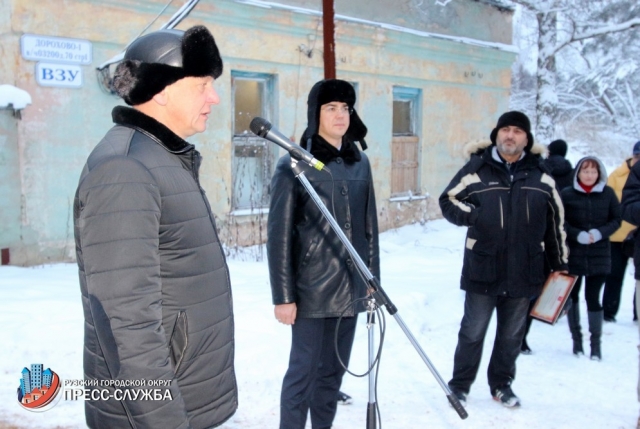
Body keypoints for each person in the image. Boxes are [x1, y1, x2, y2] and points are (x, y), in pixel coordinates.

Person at [73, 27, 237, 428]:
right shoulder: (126, 169)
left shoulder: (162, 158)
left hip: (188, 399)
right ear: (163, 89)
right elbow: (125, 322)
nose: (213, 97)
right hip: (154, 414)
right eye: (202, 85)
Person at [267, 79, 379, 429]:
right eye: (331, 108)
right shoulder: (294, 166)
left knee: (332, 378)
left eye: (345, 108)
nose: (340, 115)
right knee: (303, 376)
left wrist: (371, 281)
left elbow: (369, 229)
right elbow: (279, 237)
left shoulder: (361, 164)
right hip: (311, 291)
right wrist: (284, 297)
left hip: (351, 291)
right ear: (315, 115)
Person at [439, 111, 569, 408]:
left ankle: (501, 385)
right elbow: (448, 200)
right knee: (472, 332)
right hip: (483, 267)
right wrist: (475, 216)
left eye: (518, 131)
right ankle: (459, 385)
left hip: (525, 270)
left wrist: (560, 265)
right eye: (506, 130)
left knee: (511, 335)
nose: (511, 135)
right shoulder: (476, 169)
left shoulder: (542, 177)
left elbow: (556, 224)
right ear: (497, 134)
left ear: (527, 138)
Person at [561, 157, 621, 360]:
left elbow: (616, 219)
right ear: (578, 173)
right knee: (573, 297)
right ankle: (576, 342)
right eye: (585, 171)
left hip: (599, 254)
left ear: (599, 174)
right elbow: (559, 221)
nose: (589, 175)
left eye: (593, 172)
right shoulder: (567, 194)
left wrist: (600, 233)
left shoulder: (608, 194)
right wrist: (576, 233)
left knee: (593, 298)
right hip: (574, 254)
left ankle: (596, 345)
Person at [519, 139, 573, 355]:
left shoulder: (542, 175)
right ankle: (521, 337)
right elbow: (558, 215)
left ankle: (518, 337)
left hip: (532, 245)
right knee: (532, 294)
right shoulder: (566, 173)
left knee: (524, 296)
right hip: (543, 244)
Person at [603, 142, 640, 322]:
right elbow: (606, 202)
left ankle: (637, 313)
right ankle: (609, 311)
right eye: (637, 156)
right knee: (614, 274)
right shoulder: (617, 176)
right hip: (617, 235)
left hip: (636, 232)